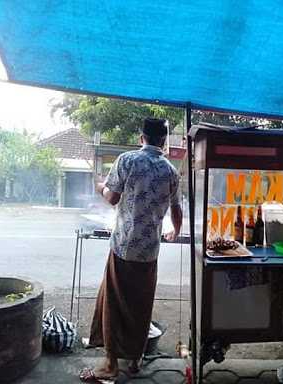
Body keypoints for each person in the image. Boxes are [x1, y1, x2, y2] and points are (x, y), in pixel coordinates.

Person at [80, 118, 183, 383]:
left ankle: (111, 365)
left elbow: (112, 198)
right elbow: (177, 209)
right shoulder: (171, 171)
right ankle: (135, 360)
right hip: (149, 251)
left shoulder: (127, 160)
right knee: (140, 304)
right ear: (163, 141)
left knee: (115, 303)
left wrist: (102, 187)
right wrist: (175, 231)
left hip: (124, 246)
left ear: (142, 138)